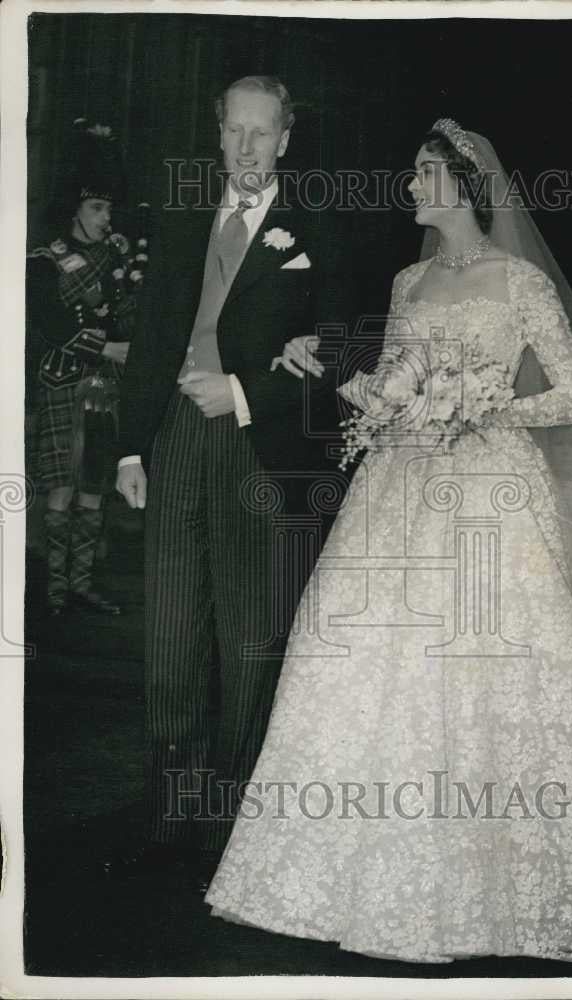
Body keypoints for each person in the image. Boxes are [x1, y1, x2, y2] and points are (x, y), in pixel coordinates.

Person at [204, 119, 572, 965]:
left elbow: (571, 398)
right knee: (362, 658)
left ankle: (498, 885)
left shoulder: (518, 281)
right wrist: (333, 369)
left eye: (420, 172)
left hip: (489, 493)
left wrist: (479, 407)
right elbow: (389, 396)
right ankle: (338, 876)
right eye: (410, 172)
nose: (409, 186)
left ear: (462, 182)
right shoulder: (408, 279)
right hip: (398, 483)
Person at [113, 75, 346, 879]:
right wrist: (129, 449)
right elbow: (150, 335)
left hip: (258, 448)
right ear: (219, 134)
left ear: (285, 139)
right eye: (235, 132)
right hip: (175, 436)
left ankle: (232, 823)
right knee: (172, 635)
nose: (247, 149)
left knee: (249, 640)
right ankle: (172, 819)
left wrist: (247, 392)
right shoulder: (181, 216)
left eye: (263, 134)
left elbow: (350, 352)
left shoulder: (317, 226)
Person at [27, 119, 135, 616]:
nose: (106, 217)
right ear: (74, 209)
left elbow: (123, 317)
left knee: (93, 486)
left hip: (101, 388)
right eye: (97, 207)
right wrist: (106, 351)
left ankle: (82, 586)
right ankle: (52, 590)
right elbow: (50, 324)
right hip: (60, 379)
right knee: (61, 485)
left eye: (109, 206)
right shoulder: (46, 258)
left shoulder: (119, 259)